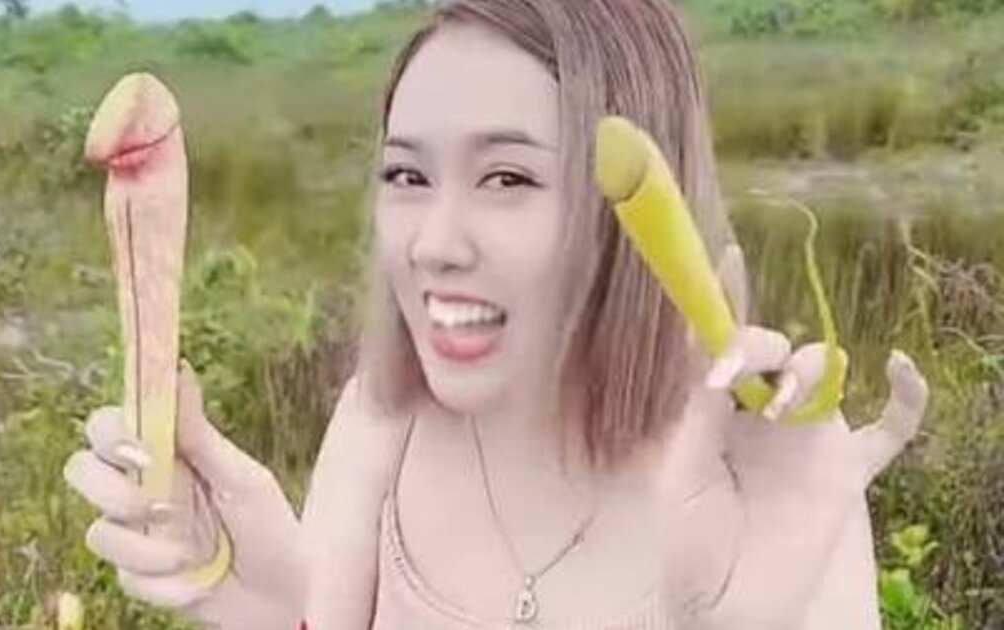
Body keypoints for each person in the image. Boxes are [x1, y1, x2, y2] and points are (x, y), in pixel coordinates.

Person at [62, 0, 931, 628]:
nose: (433, 244)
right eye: (408, 174)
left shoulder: (776, 488)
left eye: (508, 177)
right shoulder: (381, 424)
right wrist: (269, 608)